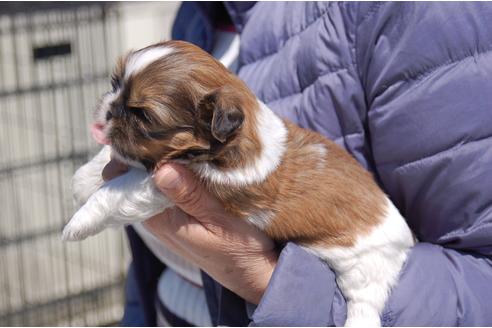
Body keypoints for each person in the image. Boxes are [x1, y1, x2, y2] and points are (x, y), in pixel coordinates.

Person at [117, 2, 492, 326]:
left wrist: (279, 289)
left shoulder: (412, 13)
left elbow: (480, 281)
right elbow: (151, 252)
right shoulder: (199, 12)